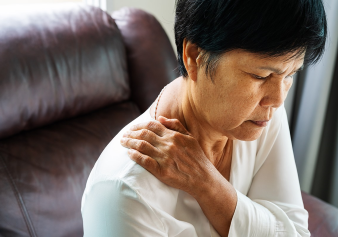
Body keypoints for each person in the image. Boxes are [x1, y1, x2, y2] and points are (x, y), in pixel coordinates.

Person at [81, 0, 327, 236]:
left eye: (290, 74)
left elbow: (294, 233)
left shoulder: (261, 115)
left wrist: (208, 184)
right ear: (194, 56)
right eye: (260, 76)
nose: (277, 98)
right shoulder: (123, 192)